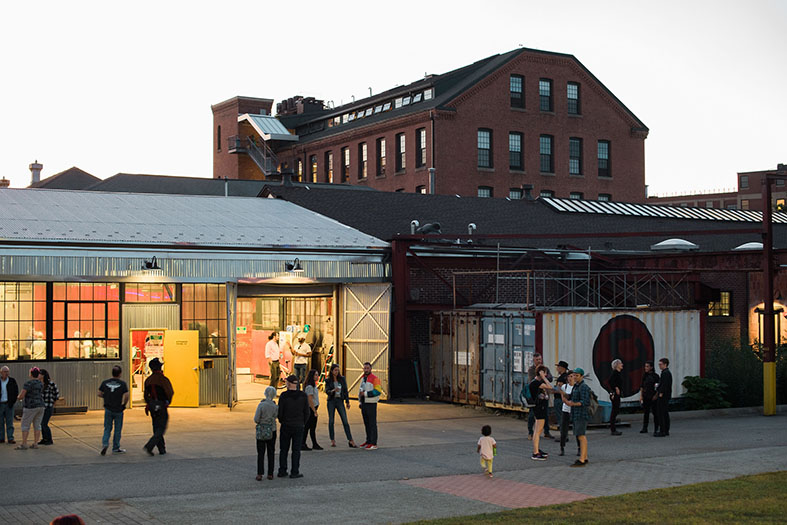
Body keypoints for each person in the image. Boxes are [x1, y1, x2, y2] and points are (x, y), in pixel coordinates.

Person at [277, 374, 310, 478]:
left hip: (286, 425)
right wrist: (302, 422)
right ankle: (294, 471)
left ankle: (282, 470)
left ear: (288, 383)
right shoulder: (303, 396)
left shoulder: (284, 396)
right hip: (299, 425)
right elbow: (307, 412)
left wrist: (282, 421)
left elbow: (280, 412)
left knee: (284, 450)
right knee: (296, 450)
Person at [561, 367, 591, 467]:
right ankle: (585, 457)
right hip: (575, 414)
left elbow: (585, 402)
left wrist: (572, 404)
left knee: (581, 436)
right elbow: (572, 397)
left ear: (582, 376)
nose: (574, 377)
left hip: (581, 414)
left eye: (577, 376)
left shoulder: (583, 387)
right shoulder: (576, 386)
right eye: (574, 375)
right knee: (579, 435)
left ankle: (582, 459)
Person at [143, 358, 174, 456]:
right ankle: (150, 445)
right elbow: (170, 392)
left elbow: (145, 395)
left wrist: (149, 403)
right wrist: (168, 401)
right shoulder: (163, 379)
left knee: (156, 426)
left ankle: (161, 449)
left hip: (152, 405)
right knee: (162, 427)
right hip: (161, 404)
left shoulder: (148, 380)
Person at [98, 365, 129, 455]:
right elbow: (126, 395)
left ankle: (105, 443)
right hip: (118, 409)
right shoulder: (122, 384)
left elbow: (99, 393)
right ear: (120, 374)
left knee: (107, 428)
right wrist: (124, 404)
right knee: (117, 429)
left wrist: (107, 396)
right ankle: (116, 447)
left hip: (108, 408)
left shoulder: (105, 383)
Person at [325, 364, 356, 448]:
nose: (337, 372)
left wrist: (347, 401)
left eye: (338, 370)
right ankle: (332, 440)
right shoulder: (328, 380)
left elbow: (345, 390)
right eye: (335, 370)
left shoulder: (342, 379)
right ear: (331, 371)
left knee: (345, 421)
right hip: (331, 401)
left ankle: (350, 440)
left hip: (340, 401)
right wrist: (333, 390)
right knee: (331, 421)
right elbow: (326, 390)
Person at [16, 367, 45, 449]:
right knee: (37, 425)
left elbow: (22, 395)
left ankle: (24, 443)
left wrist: (18, 397)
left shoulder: (28, 383)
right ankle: (35, 443)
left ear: (31, 374)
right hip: (41, 405)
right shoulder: (40, 383)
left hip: (30, 406)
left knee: (25, 425)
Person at [529, 365, 554, 461]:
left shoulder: (536, 383)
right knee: (538, 431)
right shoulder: (535, 383)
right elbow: (550, 386)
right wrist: (543, 377)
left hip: (540, 408)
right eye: (545, 373)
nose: (547, 375)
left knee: (537, 430)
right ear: (541, 373)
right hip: (539, 409)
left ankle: (537, 449)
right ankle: (535, 452)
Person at [254, 386, 278, 481]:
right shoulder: (275, 406)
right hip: (272, 430)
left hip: (262, 430)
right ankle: (270, 473)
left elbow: (256, 419)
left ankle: (260, 473)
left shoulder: (261, 405)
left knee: (261, 453)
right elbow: (276, 416)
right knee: (271, 452)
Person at [527, 353, 553, 440]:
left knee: (545, 414)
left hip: (544, 397)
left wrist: (543, 377)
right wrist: (543, 377)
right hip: (535, 398)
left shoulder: (545, 368)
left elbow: (550, 378)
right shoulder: (531, 369)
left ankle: (546, 431)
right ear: (534, 360)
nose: (539, 361)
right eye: (537, 359)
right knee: (532, 415)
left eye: (540, 359)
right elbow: (532, 380)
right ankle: (531, 432)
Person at [358, 362, 382, 449]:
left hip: (371, 403)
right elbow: (360, 391)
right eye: (365, 368)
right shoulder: (362, 378)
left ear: (370, 369)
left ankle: (374, 443)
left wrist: (366, 394)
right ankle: (368, 441)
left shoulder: (375, 379)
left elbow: (378, 391)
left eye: (367, 368)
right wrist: (360, 402)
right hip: (364, 403)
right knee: (366, 423)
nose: (366, 370)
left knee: (372, 423)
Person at [559, 370, 580, 457]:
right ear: (567, 378)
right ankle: (562, 447)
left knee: (577, 430)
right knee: (564, 430)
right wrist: (567, 402)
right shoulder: (564, 387)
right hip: (566, 409)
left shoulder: (577, 387)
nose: (571, 378)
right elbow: (563, 398)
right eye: (569, 377)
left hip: (574, 410)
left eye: (573, 376)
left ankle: (579, 448)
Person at [302, 369, 323, 450]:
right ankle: (304, 443)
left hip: (313, 408)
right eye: (316, 375)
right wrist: (314, 411)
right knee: (309, 427)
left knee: (311, 427)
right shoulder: (310, 386)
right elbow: (309, 399)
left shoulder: (313, 385)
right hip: (311, 409)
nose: (317, 376)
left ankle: (313, 443)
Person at [39, 369, 59, 445]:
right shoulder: (39, 384)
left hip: (48, 406)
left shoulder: (51, 384)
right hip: (41, 407)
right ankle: (44, 438)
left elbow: (56, 394)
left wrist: (53, 402)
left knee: (44, 423)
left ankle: (49, 439)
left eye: (39, 374)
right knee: (41, 423)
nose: (38, 375)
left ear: (43, 375)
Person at [639, 361, 660, 434]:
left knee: (655, 412)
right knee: (646, 412)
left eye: (647, 366)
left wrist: (656, 395)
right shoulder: (645, 376)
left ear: (651, 367)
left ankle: (657, 428)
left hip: (653, 396)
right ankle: (645, 427)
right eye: (645, 366)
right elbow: (642, 386)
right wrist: (641, 396)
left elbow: (658, 387)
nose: (646, 368)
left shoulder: (655, 376)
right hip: (646, 396)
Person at [0, 366, 19, 444]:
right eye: (5, 371)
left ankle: (10, 437)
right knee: (0, 422)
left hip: (9, 404)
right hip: (0, 404)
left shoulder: (12, 381)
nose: (6, 373)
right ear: (1, 373)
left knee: (10, 422)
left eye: (7, 371)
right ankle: (1, 438)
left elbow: (16, 392)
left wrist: (13, 401)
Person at [654, 358, 672, 437]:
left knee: (661, 413)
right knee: (664, 412)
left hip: (663, 396)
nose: (659, 366)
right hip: (666, 395)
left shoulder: (665, 373)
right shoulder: (666, 373)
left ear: (665, 364)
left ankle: (662, 430)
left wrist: (660, 392)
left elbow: (665, 384)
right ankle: (666, 430)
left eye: (660, 364)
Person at [553, 360, 570, 441]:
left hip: (559, 399)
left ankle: (563, 436)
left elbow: (560, 389)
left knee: (561, 418)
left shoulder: (561, 378)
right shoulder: (567, 377)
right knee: (564, 418)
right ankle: (564, 435)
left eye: (558, 367)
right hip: (564, 399)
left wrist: (552, 389)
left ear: (562, 368)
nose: (557, 368)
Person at [608, 359, 623, 435]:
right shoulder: (615, 373)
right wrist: (616, 388)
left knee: (616, 410)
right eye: (620, 364)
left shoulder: (618, 373)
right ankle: (613, 429)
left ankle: (613, 428)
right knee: (614, 411)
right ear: (616, 365)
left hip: (616, 394)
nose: (622, 365)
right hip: (615, 394)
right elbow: (610, 381)